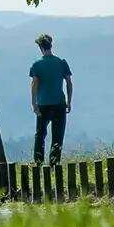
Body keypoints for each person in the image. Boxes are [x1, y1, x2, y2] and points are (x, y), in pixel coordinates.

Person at [28, 33, 72, 165]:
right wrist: (69, 102)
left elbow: (34, 84)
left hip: (43, 104)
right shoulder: (61, 63)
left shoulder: (37, 65)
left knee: (40, 135)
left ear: (40, 47)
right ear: (51, 46)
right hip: (59, 104)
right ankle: (54, 164)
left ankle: (38, 164)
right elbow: (69, 83)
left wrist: (34, 103)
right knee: (57, 137)